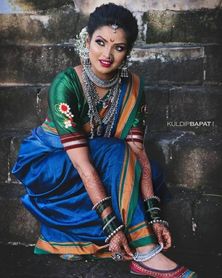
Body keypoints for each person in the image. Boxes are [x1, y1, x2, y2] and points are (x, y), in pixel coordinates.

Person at [12, 3, 197, 277]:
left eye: (118, 48)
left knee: (151, 171)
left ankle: (105, 239)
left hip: (98, 156)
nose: (107, 54)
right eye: (100, 42)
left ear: (128, 52)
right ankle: (145, 251)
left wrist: (155, 215)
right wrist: (112, 224)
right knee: (113, 152)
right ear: (86, 41)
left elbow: (138, 152)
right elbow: (84, 165)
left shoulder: (133, 86)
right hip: (50, 163)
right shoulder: (66, 85)